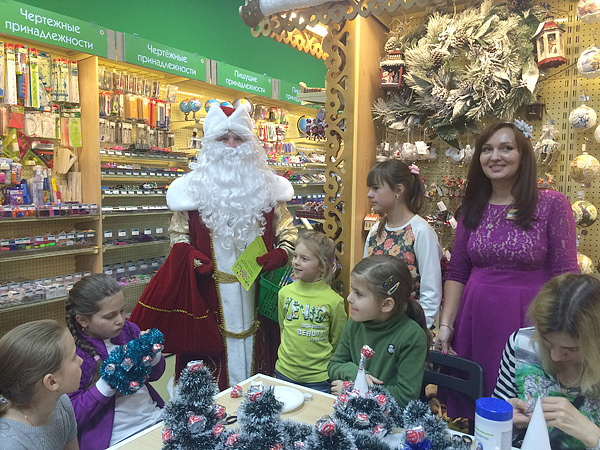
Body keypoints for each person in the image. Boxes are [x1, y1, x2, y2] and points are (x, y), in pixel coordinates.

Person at [129, 104, 298, 390]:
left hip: (259, 293)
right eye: (223, 138)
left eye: (239, 138)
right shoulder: (189, 191)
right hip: (207, 294)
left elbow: (289, 233)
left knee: (262, 368)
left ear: (251, 144)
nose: (231, 146)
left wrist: (281, 254)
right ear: (210, 143)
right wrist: (193, 258)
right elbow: (178, 237)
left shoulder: (269, 189)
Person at [435, 121, 578, 419]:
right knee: (474, 405)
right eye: (487, 149)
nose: (495, 156)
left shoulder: (551, 204)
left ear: (523, 155)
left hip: (529, 321)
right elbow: (457, 272)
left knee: (524, 408)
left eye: (506, 148)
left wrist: (559, 335)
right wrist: (446, 325)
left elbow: (566, 276)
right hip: (474, 318)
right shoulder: (472, 207)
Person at [494, 273, 600, 449]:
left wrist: (593, 435)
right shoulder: (523, 344)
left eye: (571, 349)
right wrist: (504, 420)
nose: (555, 356)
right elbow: (492, 432)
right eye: (547, 342)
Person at [66, 274, 165, 450]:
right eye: (110, 316)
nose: (120, 320)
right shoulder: (74, 354)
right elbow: (71, 415)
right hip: (118, 437)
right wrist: (107, 383)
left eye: (122, 311)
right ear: (83, 320)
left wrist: (153, 355)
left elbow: (155, 375)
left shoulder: (129, 330)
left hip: (154, 418)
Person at [328, 254, 431, 407]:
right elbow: (334, 365)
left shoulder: (412, 336)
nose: (349, 298)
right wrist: (358, 375)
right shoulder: (355, 323)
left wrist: (356, 388)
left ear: (386, 305)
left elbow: (405, 398)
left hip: (390, 418)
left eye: (359, 294)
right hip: (352, 410)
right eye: (352, 290)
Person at [364, 159, 443, 328]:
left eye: (376, 188)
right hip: (375, 326)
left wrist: (420, 329)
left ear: (398, 190)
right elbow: (365, 278)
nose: (369, 194)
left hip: (407, 328)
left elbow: (431, 290)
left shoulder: (420, 231)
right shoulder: (375, 231)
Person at [275, 231, 346, 394]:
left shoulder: (334, 301)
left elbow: (337, 341)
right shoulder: (284, 293)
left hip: (319, 379)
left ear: (322, 266)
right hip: (284, 373)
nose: (296, 262)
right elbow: (283, 328)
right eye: (295, 256)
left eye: (304, 259)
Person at [0, 319, 80, 449]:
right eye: (74, 357)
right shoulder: (11, 444)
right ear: (52, 382)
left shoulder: (61, 403)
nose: (81, 361)